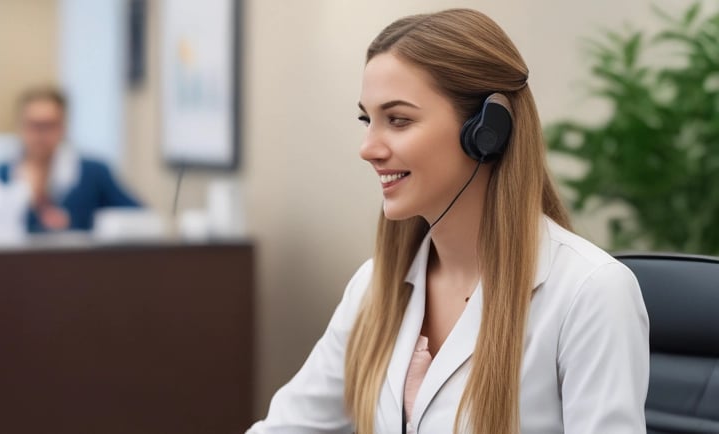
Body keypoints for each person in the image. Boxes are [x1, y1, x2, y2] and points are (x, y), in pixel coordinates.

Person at [249, 9, 648, 434]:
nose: (368, 148)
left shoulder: (590, 293)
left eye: (398, 120)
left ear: (487, 132)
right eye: (368, 120)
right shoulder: (375, 286)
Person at [0, 86, 139, 237]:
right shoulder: (4, 173)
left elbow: (137, 216)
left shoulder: (93, 173)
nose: (40, 134)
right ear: (20, 127)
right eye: (33, 125)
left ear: (63, 127)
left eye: (49, 125)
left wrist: (79, 223)